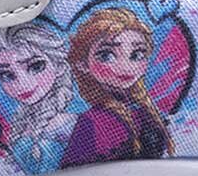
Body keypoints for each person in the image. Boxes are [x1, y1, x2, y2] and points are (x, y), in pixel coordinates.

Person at [62, 8, 172, 166]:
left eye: (137, 54)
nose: (126, 67)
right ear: (83, 64)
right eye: (106, 55)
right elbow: (72, 169)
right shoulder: (94, 122)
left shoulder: (145, 110)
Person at [0, 24, 76, 174]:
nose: (23, 84)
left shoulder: (72, 123)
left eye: (36, 66)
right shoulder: (20, 125)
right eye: (7, 75)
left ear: (59, 66)